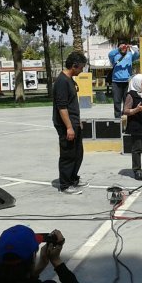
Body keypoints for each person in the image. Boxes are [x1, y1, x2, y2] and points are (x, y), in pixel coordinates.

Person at [53, 51, 89, 195]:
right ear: (74, 66)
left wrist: (77, 122)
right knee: (68, 155)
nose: (82, 71)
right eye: (81, 68)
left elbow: (71, 104)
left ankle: (73, 178)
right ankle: (65, 185)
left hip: (73, 123)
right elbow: (62, 107)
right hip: (65, 125)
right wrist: (69, 127)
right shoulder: (62, 81)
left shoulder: (69, 79)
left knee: (78, 153)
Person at [108, 41, 139, 118]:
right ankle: (117, 118)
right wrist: (119, 49)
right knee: (117, 101)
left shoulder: (129, 55)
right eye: (122, 46)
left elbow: (137, 55)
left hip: (127, 82)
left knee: (127, 101)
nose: (124, 48)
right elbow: (110, 54)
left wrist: (132, 48)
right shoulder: (115, 55)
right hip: (116, 82)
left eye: (125, 47)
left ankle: (127, 116)